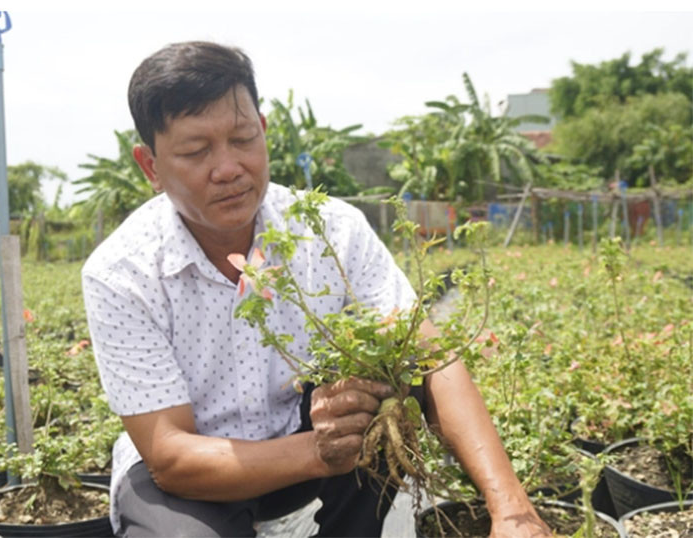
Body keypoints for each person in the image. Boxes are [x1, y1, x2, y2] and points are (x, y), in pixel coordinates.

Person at [82, 41, 551, 537]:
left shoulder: (331, 229)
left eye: (243, 139)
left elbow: (433, 358)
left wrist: (512, 510)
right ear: (151, 166)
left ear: (263, 132)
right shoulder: (121, 272)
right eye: (196, 151)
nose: (227, 168)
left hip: (312, 443)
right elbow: (170, 456)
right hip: (197, 478)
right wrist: (317, 451)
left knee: (398, 374)